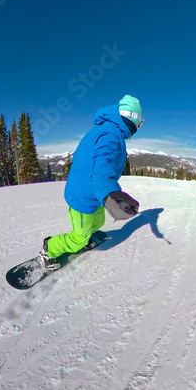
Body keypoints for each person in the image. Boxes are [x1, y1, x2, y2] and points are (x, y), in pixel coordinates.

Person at [40, 95, 144, 270]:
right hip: (83, 197)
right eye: (140, 120)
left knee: (98, 222)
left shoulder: (111, 131)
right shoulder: (110, 135)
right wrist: (111, 193)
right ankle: (49, 248)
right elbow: (101, 165)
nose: (140, 125)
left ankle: (86, 236)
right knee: (79, 237)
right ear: (129, 116)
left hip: (92, 192)